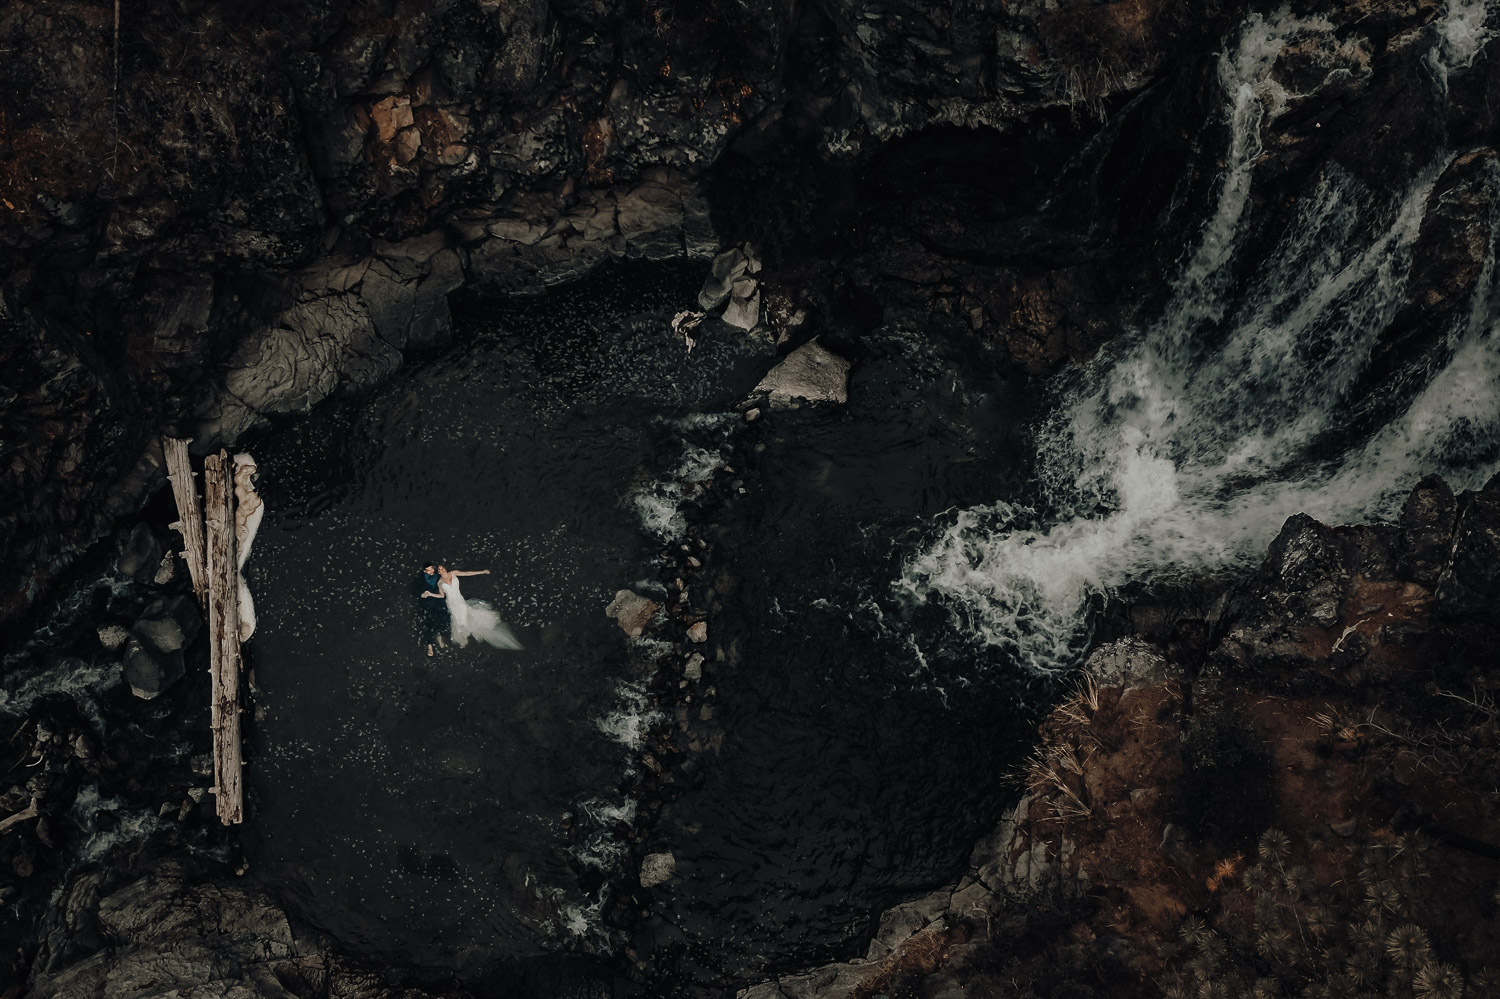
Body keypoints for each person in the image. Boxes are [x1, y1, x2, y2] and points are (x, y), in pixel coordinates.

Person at [436, 564, 523, 650]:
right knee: (458, 620)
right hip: (451, 603)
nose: (441, 570)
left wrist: (482, 572)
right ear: (438, 572)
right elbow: (441, 595)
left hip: (459, 600)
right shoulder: (440, 582)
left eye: (442, 568)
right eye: (439, 570)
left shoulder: (453, 573)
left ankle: (467, 632)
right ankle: (463, 638)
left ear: (445, 569)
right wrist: (430, 594)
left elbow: (467, 573)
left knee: (465, 614)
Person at [413, 561, 449, 658]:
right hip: (427, 605)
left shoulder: (438, 575)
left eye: (432, 569)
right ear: (424, 571)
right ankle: (429, 646)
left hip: (438, 603)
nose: (431, 571)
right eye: (428, 570)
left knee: (441, 621)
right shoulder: (419, 579)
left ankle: (439, 637)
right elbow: (413, 590)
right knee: (428, 624)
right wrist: (421, 595)